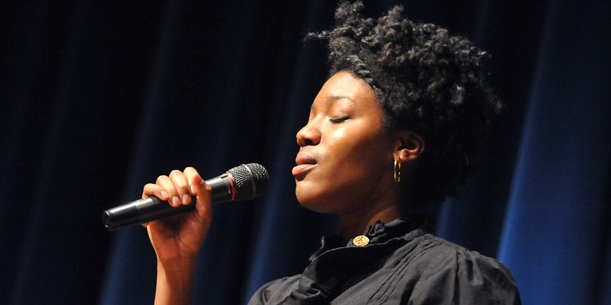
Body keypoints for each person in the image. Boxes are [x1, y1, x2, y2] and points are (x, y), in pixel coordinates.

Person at [142, 1, 520, 304]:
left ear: (404, 147)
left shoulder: (453, 278)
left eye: (337, 117)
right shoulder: (276, 297)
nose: (304, 132)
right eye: (309, 119)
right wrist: (176, 264)